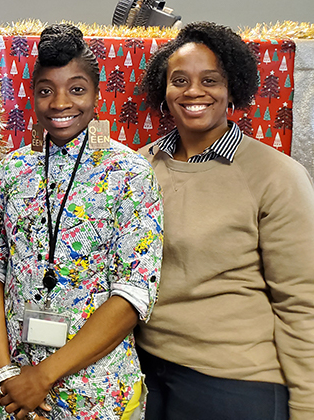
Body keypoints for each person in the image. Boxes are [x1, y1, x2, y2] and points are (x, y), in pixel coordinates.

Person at [0, 24, 163, 420]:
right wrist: (4, 371)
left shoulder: (130, 173)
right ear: (32, 97)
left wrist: (42, 377)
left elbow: (133, 294)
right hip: (8, 392)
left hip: (96, 393)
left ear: (97, 95)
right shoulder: (11, 170)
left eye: (76, 89)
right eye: (46, 90)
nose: (60, 102)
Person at [137, 21, 314, 420]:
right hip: (145, 372)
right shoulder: (138, 167)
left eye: (210, 80)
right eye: (179, 80)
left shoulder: (276, 176)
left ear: (232, 88)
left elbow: (302, 302)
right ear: (163, 93)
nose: (194, 91)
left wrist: (306, 405)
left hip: (235, 384)